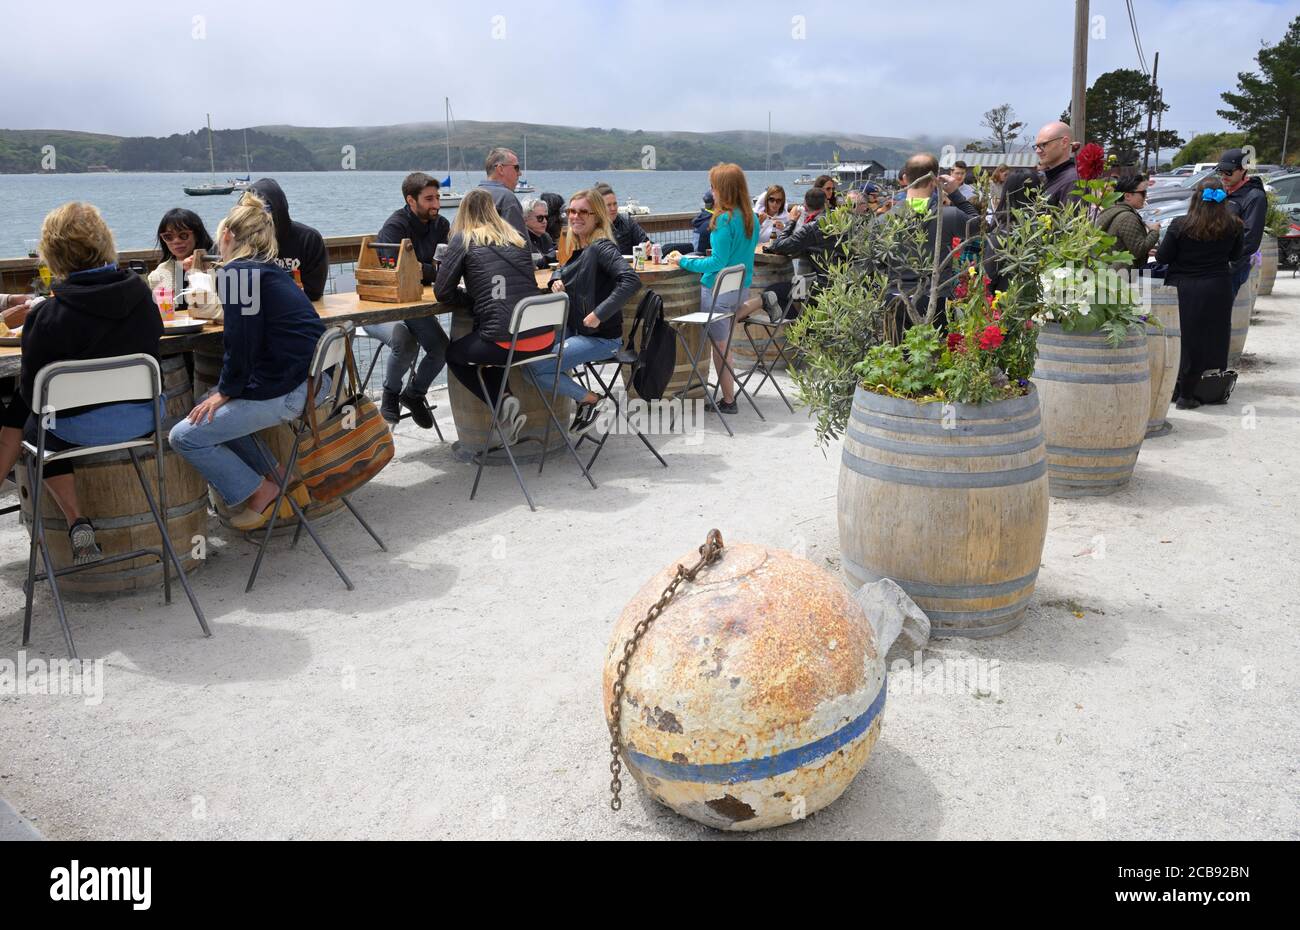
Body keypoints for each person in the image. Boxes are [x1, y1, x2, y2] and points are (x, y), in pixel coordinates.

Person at [7, 202, 165, 563]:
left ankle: (76, 520)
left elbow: (35, 397)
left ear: (53, 254)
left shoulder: (46, 315)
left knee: (33, 425)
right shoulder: (140, 293)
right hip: (145, 419)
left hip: (76, 431)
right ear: (105, 243)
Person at [169, 193, 325, 531]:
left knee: (184, 437)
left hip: (290, 391)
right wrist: (224, 392)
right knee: (203, 403)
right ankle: (281, 478)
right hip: (311, 381)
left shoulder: (237, 274)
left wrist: (226, 390)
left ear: (226, 236)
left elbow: (241, 343)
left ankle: (259, 493)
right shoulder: (268, 270)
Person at [437, 189, 554, 446]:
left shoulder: (463, 239)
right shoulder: (518, 238)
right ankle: (505, 399)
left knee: (455, 354)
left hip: (506, 344)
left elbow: (442, 292)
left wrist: (471, 299)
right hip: (543, 340)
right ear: (494, 210)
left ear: (462, 212)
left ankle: (502, 403)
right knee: (487, 342)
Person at [527, 189, 640, 434]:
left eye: (582, 212)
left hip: (601, 338)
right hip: (576, 330)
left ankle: (591, 400)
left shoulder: (601, 247)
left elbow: (630, 280)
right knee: (526, 358)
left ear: (596, 217)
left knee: (536, 367)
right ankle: (587, 401)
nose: (575, 216)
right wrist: (555, 279)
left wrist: (599, 312)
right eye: (571, 211)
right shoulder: (583, 246)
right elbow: (564, 268)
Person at [667, 163, 761, 413]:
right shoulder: (751, 218)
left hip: (717, 293)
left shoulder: (722, 220)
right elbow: (734, 258)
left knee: (721, 348)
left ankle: (729, 400)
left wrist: (683, 261)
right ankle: (763, 301)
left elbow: (718, 262)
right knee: (725, 341)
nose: (711, 190)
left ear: (723, 189)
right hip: (740, 289)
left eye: (713, 186)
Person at [366, 172, 451, 427]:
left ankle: (413, 394)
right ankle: (390, 394)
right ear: (411, 201)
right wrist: (431, 271)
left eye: (437, 197)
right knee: (405, 340)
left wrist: (426, 270)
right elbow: (397, 270)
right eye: (429, 199)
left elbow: (445, 263)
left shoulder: (442, 224)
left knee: (443, 349)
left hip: (416, 302)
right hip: (382, 305)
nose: (435, 204)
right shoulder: (395, 226)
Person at [1155, 178, 1244, 409]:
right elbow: (1235, 256)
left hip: (1183, 287)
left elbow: (1163, 257)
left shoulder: (1179, 224)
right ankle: (1193, 390)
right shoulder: (1234, 225)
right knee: (1210, 338)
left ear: (1196, 198)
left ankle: (1178, 390)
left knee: (1182, 337)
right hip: (1217, 287)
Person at [883, 152, 981, 329]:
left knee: (896, 353)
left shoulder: (883, 220)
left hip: (895, 297)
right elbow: (978, 226)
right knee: (936, 354)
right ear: (935, 180)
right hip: (935, 298)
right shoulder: (948, 215)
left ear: (905, 177)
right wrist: (955, 193)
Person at [247, 178, 329, 301]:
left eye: (265, 209)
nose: (260, 217)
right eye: (252, 211)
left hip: (299, 309)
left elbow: (314, 291)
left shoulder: (309, 239)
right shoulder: (239, 239)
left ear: (279, 209)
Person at [767, 187, 837, 294]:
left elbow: (778, 246)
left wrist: (791, 221)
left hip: (819, 287)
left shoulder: (811, 227)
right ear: (825, 203)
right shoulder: (836, 220)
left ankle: (795, 309)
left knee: (771, 290)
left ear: (805, 204)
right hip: (838, 283)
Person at [1218, 148, 1268, 297]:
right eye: (1221, 171)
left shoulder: (1254, 197)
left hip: (1230, 267)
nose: (1223, 176)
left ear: (1243, 170)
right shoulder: (1225, 191)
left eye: (1228, 172)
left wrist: (1228, 263)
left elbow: (1250, 238)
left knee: (1219, 314)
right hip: (1213, 263)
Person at [146, 208, 218, 311]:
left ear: (197, 235)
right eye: (168, 237)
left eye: (183, 235)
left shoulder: (216, 266)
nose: (176, 241)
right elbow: (161, 311)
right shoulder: (160, 273)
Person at [1096, 175, 1160, 270]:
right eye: (1143, 193)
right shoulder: (1127, 217)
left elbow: (1122, 246)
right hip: (1123, 277)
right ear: (1127, 196)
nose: (1146, 196)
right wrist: (1154, 231)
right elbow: (1138, 251)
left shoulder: (1112, 210)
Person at [477, 147, 527, 237]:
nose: (520, 173)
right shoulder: (506, 198)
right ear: (500, 169)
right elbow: (521, 243)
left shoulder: (469, 196)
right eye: (516, 168)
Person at [593, 182, 650, 255]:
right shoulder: (591, 228)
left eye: (615, 204)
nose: (613, 208)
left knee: (669, 247)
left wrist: (648, 248)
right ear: (599, 207)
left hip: (628, 265)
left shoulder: (626, 222)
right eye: (609, 205)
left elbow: (644, 241)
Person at [1035, 121, 1081, 208]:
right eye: (1036, 146)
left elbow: (1070, 220)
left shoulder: (1072, 181)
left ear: (1064, 143)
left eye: (1043, 145)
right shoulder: (1052, 177)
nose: (1038, 151)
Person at [522, 197, 557, 266]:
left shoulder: (546, 237)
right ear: (525, 219)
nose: (545, 221)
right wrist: (549, 258)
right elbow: (526, 265)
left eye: (546, 217)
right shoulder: (520, 240)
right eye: (540, 218)